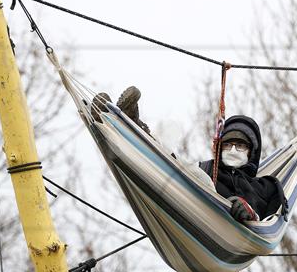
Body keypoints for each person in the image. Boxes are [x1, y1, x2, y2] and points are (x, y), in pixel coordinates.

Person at [102, 86, 287, 223]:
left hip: (229, 233)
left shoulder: (265, 186)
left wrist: (250, 212)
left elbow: (269, 220)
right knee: (180, 166)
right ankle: (120, 123)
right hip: (189, 209)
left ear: (251, 152)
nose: (232, 150)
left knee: (194, 174)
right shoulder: (207, 168)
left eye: (240, 146)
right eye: (227, 145)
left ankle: (129, 126)